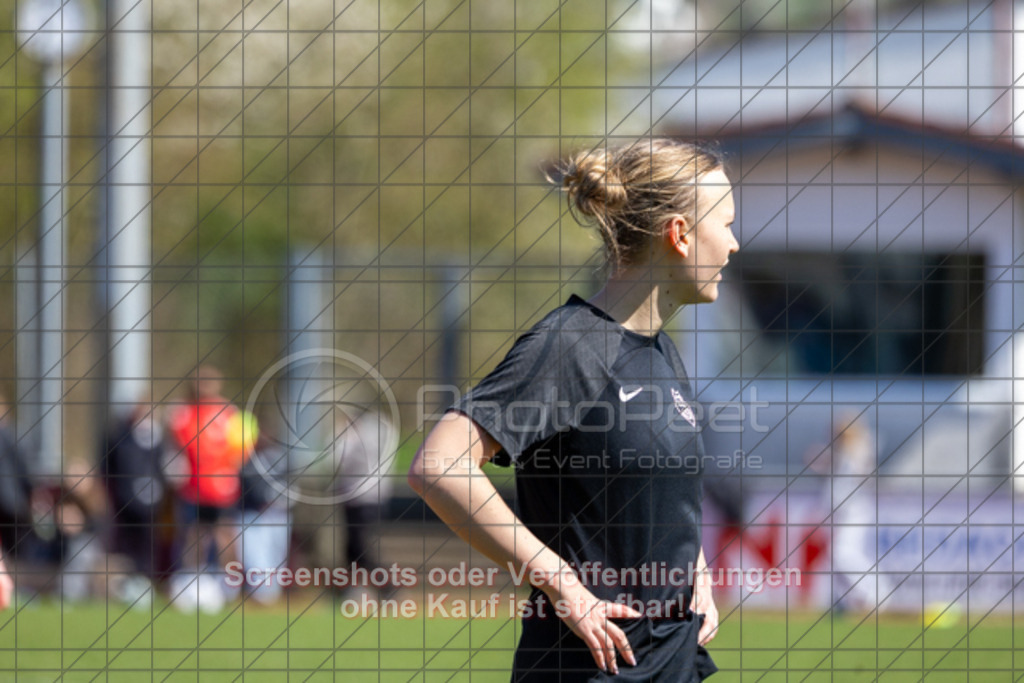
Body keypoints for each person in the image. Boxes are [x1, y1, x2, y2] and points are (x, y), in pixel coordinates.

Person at [409, 138, 738, 681]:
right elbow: (438, 466)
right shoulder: (570, 346)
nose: (734, 243)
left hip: (671, 664)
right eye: (725, 223)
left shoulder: (660, 350)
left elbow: (652, 494)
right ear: (679, 234)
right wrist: (559, 582)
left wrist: (694, 568)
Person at [166, 365, 257, 610]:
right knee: (195, 534)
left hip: (221, 487)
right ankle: (192, 582)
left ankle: (232, 587)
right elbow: (180, 444)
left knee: (225, 534)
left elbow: (243, 448)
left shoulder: (229, 413)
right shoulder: (183, 411)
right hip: (193, 487)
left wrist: (228, 466)